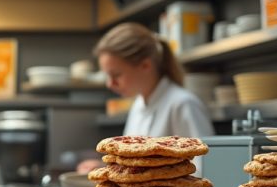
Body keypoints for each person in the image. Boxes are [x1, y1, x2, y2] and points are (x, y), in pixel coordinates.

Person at [78, 22, 215, 172]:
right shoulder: (138, 104)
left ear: (145, 65)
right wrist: (108, 168)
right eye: (107, 76)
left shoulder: (182, 104)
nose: (110, 84)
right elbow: (133, 163)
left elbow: (207, 167)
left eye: (116, 75)